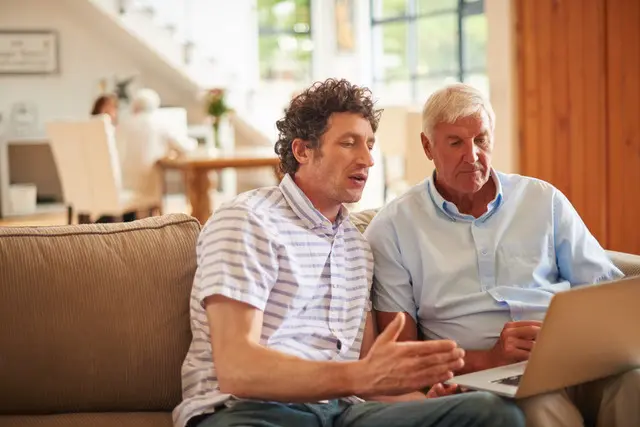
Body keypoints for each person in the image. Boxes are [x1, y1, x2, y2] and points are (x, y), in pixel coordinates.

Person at [171, 79, 525, 427]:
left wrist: (420, 402)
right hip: (252, 412)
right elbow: (238, 370)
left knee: (491, 413)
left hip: (343, 412)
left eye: (370, 144)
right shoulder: (248, 221)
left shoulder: (357, 246)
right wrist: (361, 376)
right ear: (302, 151)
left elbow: (371, 377)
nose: (368, 159)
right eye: (349, 143)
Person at [364, 82, 640, 427]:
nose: (473, 155)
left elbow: (606, 292)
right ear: (427, 146)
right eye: (455, 143)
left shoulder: (542, 199)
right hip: (491, 377)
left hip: (579, 360)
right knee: (543, 407)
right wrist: (489, 358)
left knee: (635, 385)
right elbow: (402, 356)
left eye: (481, 139)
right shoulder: (392, 227)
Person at [115, 88, 196, 206]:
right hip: (147, 189)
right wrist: (196, 143)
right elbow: (184, 147)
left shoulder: (123, 124)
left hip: (121, 188)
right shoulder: (159, 123)